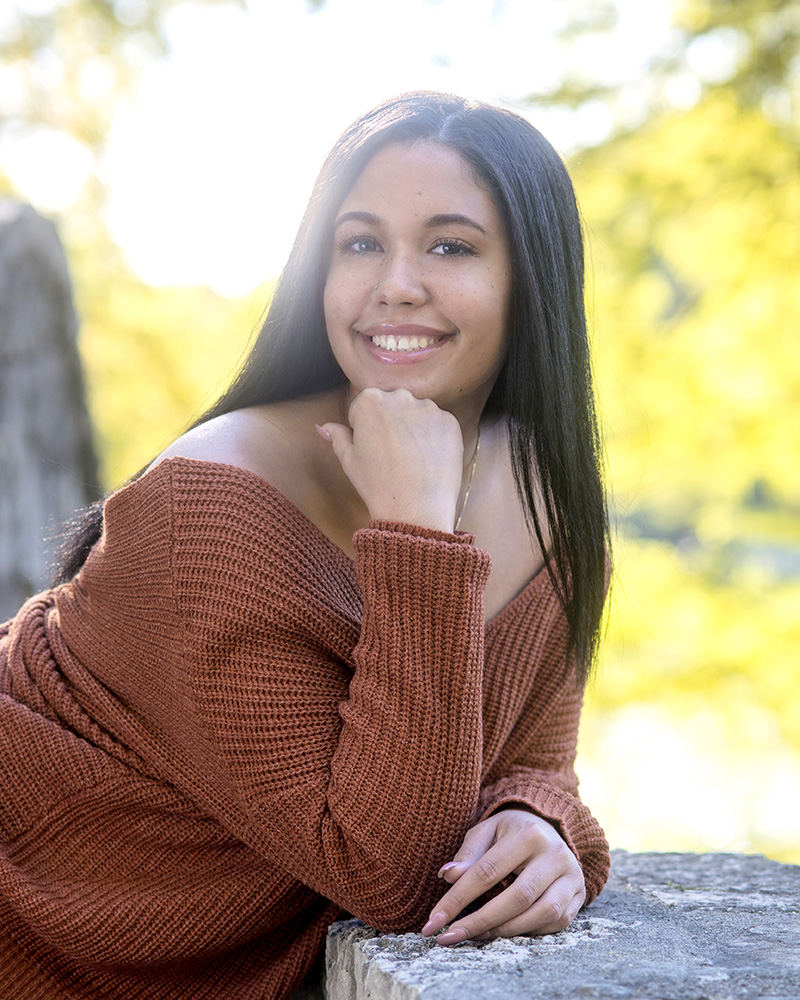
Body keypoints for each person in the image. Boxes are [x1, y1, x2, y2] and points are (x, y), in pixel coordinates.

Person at [0, 91, 611, 1000]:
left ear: (533, 278)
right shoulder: (214, 501)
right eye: (359, 243)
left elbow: (530, 755)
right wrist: (414, 534)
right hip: (43, 931)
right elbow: (393, 873)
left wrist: (541, 822)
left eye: (451, 246)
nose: (394, 284)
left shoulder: (541, 489)